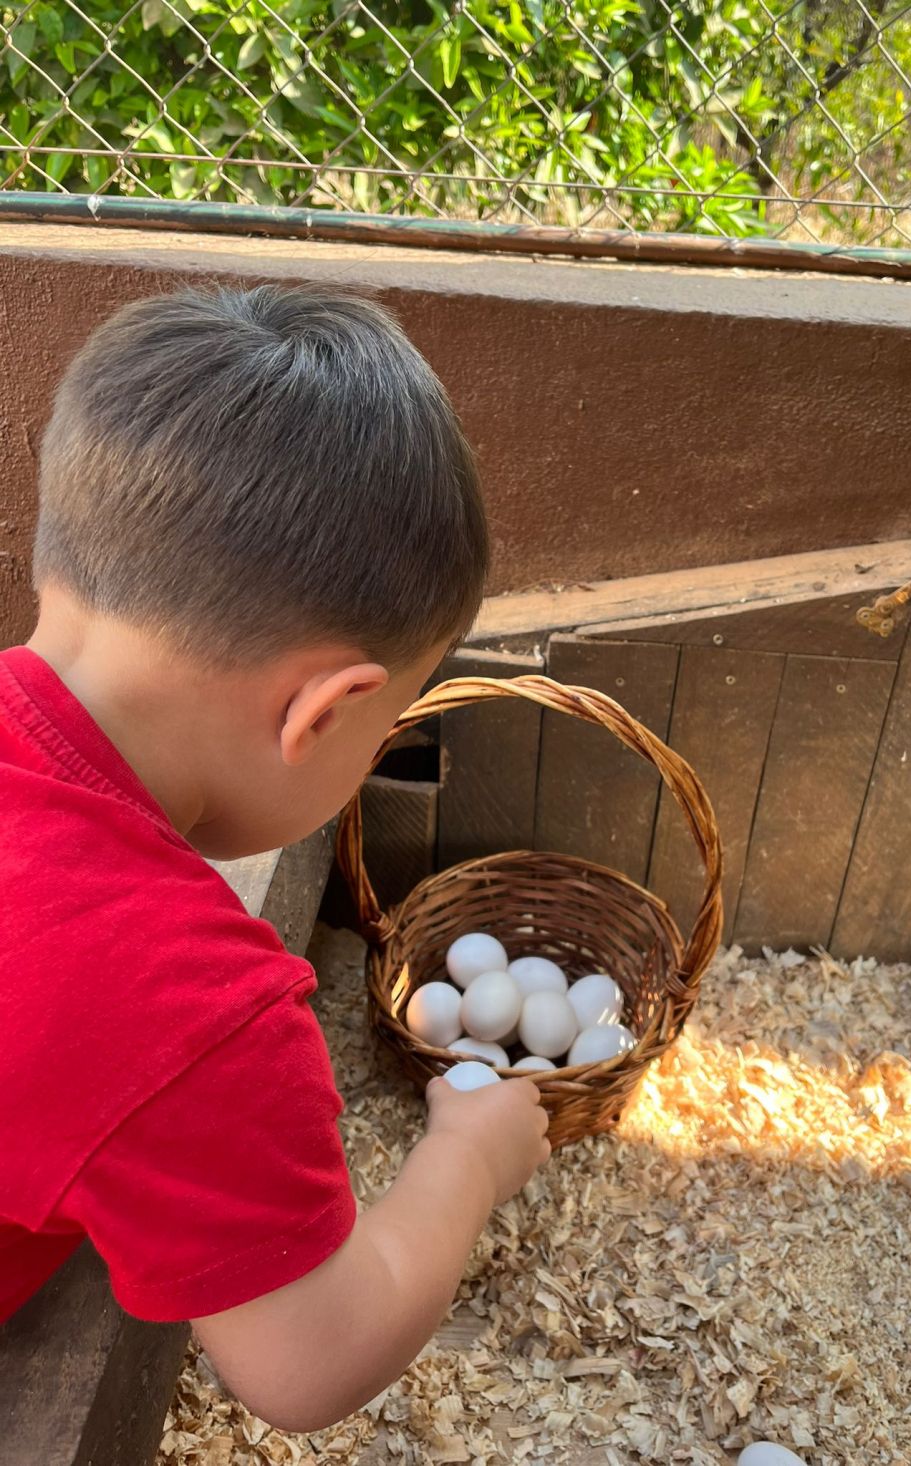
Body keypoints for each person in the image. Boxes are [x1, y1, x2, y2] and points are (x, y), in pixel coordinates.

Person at [0, 284, 550, 1431]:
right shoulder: (190, 1008)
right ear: (323, 712)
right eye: (383, 729)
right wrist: (468, 1158)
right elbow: (310, 1359)